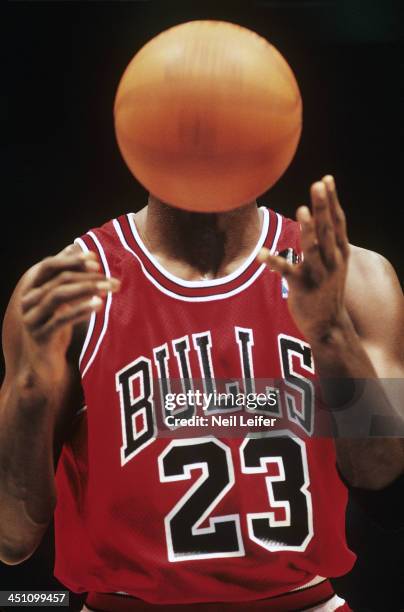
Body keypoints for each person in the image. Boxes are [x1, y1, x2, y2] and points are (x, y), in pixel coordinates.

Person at [0, 175, 403, 612]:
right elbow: (11, 539)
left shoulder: (355, 276)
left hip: (303, 601)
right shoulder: (68, 290)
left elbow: (391, 496)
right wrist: (30, 391)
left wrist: (331, 334)